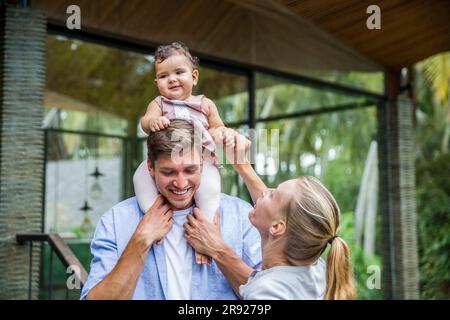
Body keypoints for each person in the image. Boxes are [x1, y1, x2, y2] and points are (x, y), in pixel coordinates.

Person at [81, 120, 261, 300]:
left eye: (190, 170)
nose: (181, 183)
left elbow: (268, 296)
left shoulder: (240, 215)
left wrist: (218, 250)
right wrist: (141, 240)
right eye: (168, 172)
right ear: (151, 168)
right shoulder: (116, 221)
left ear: (202, 164)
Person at [184, 134, 356, 300]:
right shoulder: (314, 267)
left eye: (273, 194)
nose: (266, 190)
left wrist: (218, 248)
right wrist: (242, 165)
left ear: (276, 228)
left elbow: (262, 288)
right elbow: (282, 213)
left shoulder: (265, 293)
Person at [134, 41, 242, 264]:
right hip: (166, 157)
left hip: (201, 160)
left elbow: (217, 127)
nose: (171, 79)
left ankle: (208, 230)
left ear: (194, 77)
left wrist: (224, 133)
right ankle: (154, 218)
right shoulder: (159, 103)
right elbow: (145, 122)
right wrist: (153, 121)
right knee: (140, 177)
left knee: (211, 191)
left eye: (179, 72)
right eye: (164, 76)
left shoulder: (204, 104)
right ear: (157, 83)